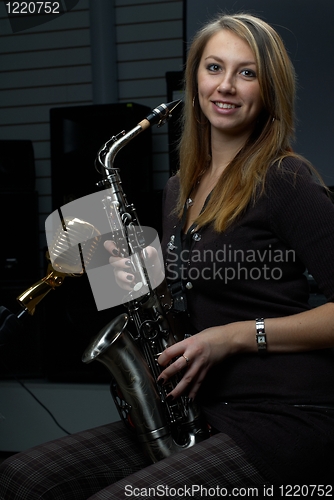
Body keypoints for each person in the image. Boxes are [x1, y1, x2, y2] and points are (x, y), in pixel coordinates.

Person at [1, 12, 334, 499]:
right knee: (21, 477)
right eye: (213, 67)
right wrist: (114, 267)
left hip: (283, 418)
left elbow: (236, 322)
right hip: (201, 407)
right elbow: (177, 302)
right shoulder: (181, 189)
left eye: (247, 72)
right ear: (193, 77)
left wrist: (236, 337)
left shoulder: (286, 183)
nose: (226, 86)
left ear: (269, 89)